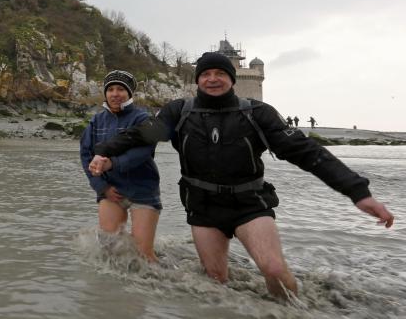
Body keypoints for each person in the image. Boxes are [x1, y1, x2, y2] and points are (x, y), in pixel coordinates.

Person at [89, 52, 394, 300]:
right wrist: (105, 152)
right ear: (198, 80)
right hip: (203, 206)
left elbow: (307, 152)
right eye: (206, 74)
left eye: (220, 73)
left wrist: (358, 192)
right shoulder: (179, 112)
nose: (212, 79)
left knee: (274, 270)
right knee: (214, 281)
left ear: (232, 78)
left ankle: (294, 309)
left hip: (249, 202)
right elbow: (139, 136)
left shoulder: (257, 113)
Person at [80, 70, 161, 261]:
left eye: (121, 89)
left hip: (143, 190)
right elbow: (86, 155)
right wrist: (101, 187)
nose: (115, 94)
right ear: (106, 93)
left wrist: (112, 164)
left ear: (129, 94)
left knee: (143, 255)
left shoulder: (142, 119)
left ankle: (157, 281)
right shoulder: (96, 121)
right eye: (111, 89)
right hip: (111, 191)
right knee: (109, 251)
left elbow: (144, 152)